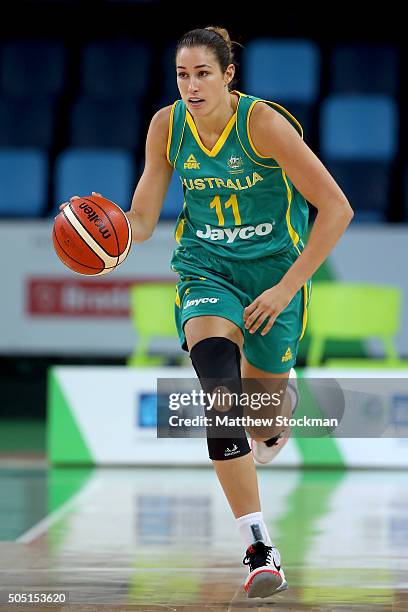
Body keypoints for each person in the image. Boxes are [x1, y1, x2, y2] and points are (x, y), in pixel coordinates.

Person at [61, 26, 353, 599]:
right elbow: (144, 214)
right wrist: (114, 234)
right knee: (220, 393)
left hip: (274, 277)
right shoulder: (166, 126)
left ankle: (278, 404)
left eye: (202, 74)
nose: (191, 85)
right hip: (206, 269)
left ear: (228, 76)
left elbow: (336, 208)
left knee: (260, 421)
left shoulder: (263, 125)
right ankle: (258, 546)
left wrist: (286, 289)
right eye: (181, 75)